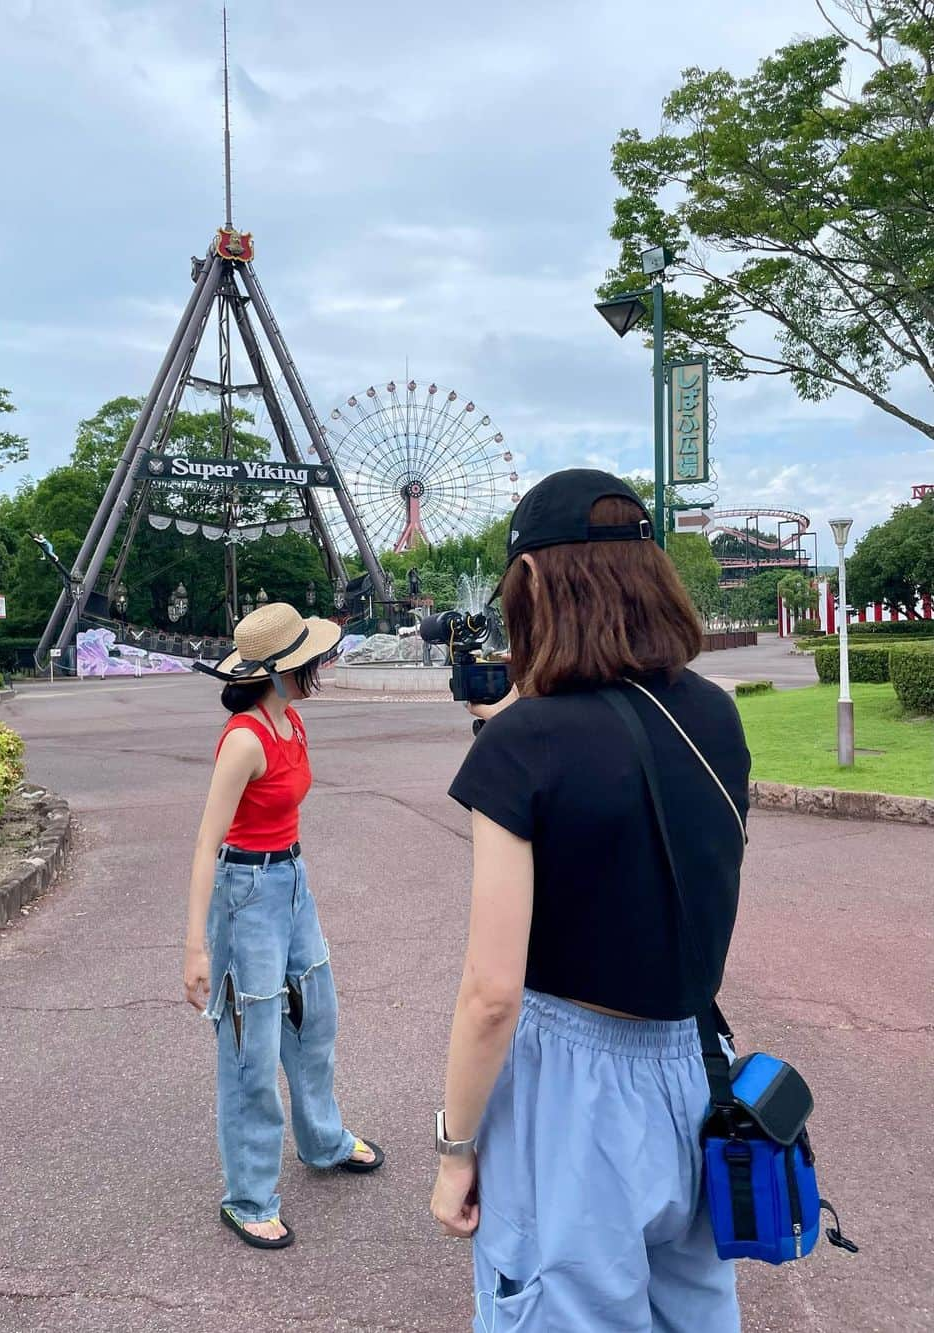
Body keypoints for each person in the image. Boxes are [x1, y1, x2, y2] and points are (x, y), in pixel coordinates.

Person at [429, 470, 751, 1331]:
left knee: (557, 1303)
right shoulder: (716, 716)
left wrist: (455, 1147)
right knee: (695, 1310)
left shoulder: (523, 744)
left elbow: (492, 994)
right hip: (694, 1063)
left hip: (569, 1085)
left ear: (533, 580)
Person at [184, 601, 383, 1250]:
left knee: (316, 1013)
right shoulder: (245, 738)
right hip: (245, 891)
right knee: (252, 1040)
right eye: (305, 661)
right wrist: (196, 947)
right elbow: (207, 841)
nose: (316, 667)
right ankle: (247, 1196)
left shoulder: (291, 722)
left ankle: (322, 1140)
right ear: (273, 672)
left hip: (291, 879)